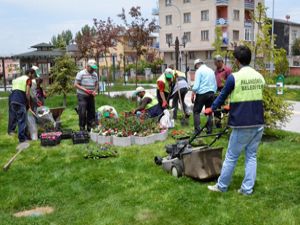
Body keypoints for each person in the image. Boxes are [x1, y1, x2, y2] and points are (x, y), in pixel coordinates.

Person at [206, 45, 265, 195]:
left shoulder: (234, 77)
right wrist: (232, 107)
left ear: (237, 61)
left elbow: (222, 96)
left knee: (231, 156)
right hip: (258, 123)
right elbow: (251, 97)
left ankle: (221, 186)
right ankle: (247, 189)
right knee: (251, 156)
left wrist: (211, 108)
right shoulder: (259, 77)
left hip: (242, 125)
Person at [7, 68, 37, 149]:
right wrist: (28, 103)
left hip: (12, 100)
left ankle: (12, 132)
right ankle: (22, 139)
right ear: (30, 73)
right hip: (20, 100)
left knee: (16, 117)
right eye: (34, 74)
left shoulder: (17, 79)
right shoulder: (28, 80)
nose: (34, 76)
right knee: (22, 120)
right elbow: (27, 93)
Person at [191, 59, 217, 134]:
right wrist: (213, 92)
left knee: (196, 111)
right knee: (209, 111)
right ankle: (209, 130)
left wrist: (193, 94)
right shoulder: (211, 70)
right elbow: (214, 84)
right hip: (211, 93)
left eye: (196, 67)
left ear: (197, 65)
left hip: (202, 93)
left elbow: (196, 86)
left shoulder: (199, 71)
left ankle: (197, 131)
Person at [74, 59, 98, 131]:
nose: (93, 69)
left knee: (91, 112)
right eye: (92, 68)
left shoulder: (95, 74)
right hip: (82, 95)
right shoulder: (81, 73)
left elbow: (96, 84)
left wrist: (95, 91)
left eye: (94, 68)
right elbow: (76, 84)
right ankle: (82, 127)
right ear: (87, 66)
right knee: (82, 112)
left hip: (91, 95)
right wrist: (85, 90)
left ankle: (89, 127)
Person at [214, 55, 232, 128]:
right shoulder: (216, 71)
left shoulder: (227, 70)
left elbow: (230, 81)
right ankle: (218, 125)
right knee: (216, 107)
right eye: (215, 63)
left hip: (224, 90)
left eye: (217, 63)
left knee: (225, 108)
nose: (216, 64)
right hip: (217, 90)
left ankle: (226, 125)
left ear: (221, 62)